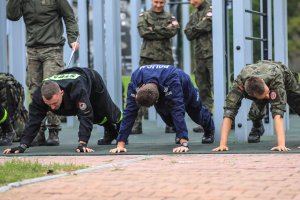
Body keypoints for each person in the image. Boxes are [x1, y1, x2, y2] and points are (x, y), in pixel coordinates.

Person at [7, 0, 80, 146]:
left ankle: (53, 131)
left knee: (51, 87)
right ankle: (38, 132)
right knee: (34, 91)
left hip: (52, 49)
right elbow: (12, 15)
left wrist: (73, 39)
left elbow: (69, 16)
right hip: (33, 50)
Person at [3, 67, 122, 154]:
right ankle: (111, 131)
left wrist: (82, 143)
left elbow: (85, 115)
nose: (53, 108)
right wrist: (22, 145)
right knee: (96, 117)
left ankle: (121, 130)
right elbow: (33, 121)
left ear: (61, 93)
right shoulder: (39, 97)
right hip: (69, 82)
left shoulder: (77, 90)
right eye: (48, 105)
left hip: (92, 79)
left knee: (105, 111)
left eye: (54, 103)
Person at [109, 64, 215, 154]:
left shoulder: (172, 79)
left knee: (197, 115)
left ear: (156, 99)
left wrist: (184, 143)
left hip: (184, 88)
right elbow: (129, 113)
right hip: (161, 89)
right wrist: (120, 143)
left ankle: (209, 130)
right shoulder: (136, 78)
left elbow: (178, 110)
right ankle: (178, 131)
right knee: (168, 120)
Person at [212, 60, 300, 152]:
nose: (268, 97)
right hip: (258, 84)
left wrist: (281, 145)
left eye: (268, 93)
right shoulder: (238, 85)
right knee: (256, 111)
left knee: (297, 103)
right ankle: (257, 126)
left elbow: (278, 113)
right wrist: (222, 145)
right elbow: (229, 113)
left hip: (283, 77)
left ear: (263, 82)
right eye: (265, 96)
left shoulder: (275, 78)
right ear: (250, 95)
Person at [132, 0, 180, 134]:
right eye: (156, 2)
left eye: (161, 2)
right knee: (141, 89)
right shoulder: (144, 15)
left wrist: (152, 28)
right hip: (147, 58)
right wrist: (163, 29)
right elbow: (143, 32)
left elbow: (173, 31)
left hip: (165, 59)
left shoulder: (170, 17)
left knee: (169, 91)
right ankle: (136, 124)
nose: (158, 5)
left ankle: (171, 124)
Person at [184, 0, 213, 133]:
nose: (192, 1)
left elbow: (208, 25)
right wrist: (198, 27)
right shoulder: (193, 14)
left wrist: (195, 28)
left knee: (218, 86)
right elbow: (188, 33)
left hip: (213, 54)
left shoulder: (212, 8)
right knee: (202, 89)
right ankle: (206, 119)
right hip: (199, 56)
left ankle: (228, 118)